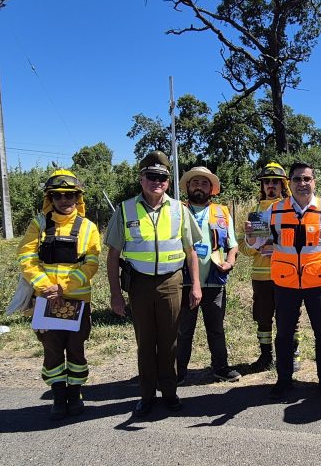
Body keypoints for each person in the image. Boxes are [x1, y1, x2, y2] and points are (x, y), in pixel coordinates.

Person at [244, 162, 321, 399]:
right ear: (290, 183)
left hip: (318, 282)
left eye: (307, 179)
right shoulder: (275, 210)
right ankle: (284, 380)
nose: (302, 184)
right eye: (297, 179)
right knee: (284, 334)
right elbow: (256, 242)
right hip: (285, 283)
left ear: (314, 182)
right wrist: (251, 234)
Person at [105, 151, 202, 417]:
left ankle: (169, 393)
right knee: (145, 342)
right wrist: (115, 294)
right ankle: (146, 395)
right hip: (139, 284)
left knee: (170, 341)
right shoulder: (125, 210)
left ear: (168, 182)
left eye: (162, 177)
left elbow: (191, 251)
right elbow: (113, 256)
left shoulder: (180, 210)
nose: (156, 182)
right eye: (151, 176)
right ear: (141, 179)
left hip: (172, 282)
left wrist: (195, 285)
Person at [16, 169, 101, 420]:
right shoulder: (39, 224)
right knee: (52, 350)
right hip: (46, 302)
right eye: (58, 195)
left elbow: (92, 263)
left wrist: (63, 286)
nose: (64, 200)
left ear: (78, 197)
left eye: (69, 195)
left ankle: (75, 395)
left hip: (77, 302)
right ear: (50, 198)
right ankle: (58, 396)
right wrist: (45, 287)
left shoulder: (88, 227)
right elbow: (26, 258)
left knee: (76, 350)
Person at [175, 166, 241, 384]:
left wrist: (230, 262)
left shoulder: (222, 212)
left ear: (211, 189)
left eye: (204, 183)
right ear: (187, 186)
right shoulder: (177, 210)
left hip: (214, 281)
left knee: (216, 329)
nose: (199, 186)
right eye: (195, 182)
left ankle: (221, 368)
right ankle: (178, 371)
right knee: (183, 330)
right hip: (184, 282)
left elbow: (232, 245)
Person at [239, 162, 302, 372]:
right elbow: (244, 248)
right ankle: (265, 356)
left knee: (290, 318)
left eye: (276, 181)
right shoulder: (254, 212)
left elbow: (301, 241)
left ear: (284, 185)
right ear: (262, 185)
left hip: (287, 274)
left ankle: (292, 355)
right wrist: (254, 244)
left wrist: (279, 247)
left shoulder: (291, 209)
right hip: (262, 276)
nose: (271, 185)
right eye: (267, 182)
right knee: (263, 318)